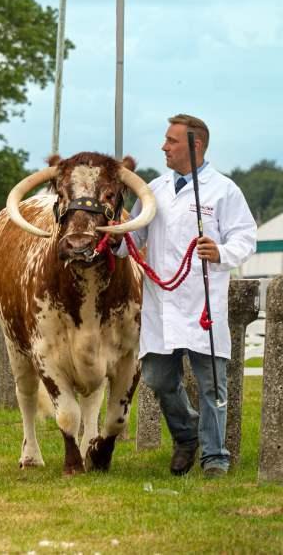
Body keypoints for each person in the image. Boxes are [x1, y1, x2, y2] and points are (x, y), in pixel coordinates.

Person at [115, 114, 256, 479]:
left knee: (212, 385)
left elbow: (246, 237)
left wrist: (221, 251)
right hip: (161, 304)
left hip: (203, 302)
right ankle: (185, 434)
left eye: (171, 141)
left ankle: (215, 458)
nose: (163, 146)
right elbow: (132, 241)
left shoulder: (224, 190)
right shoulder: (153, 190)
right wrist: (114, 230)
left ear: (195, 145)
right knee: (157, 378)